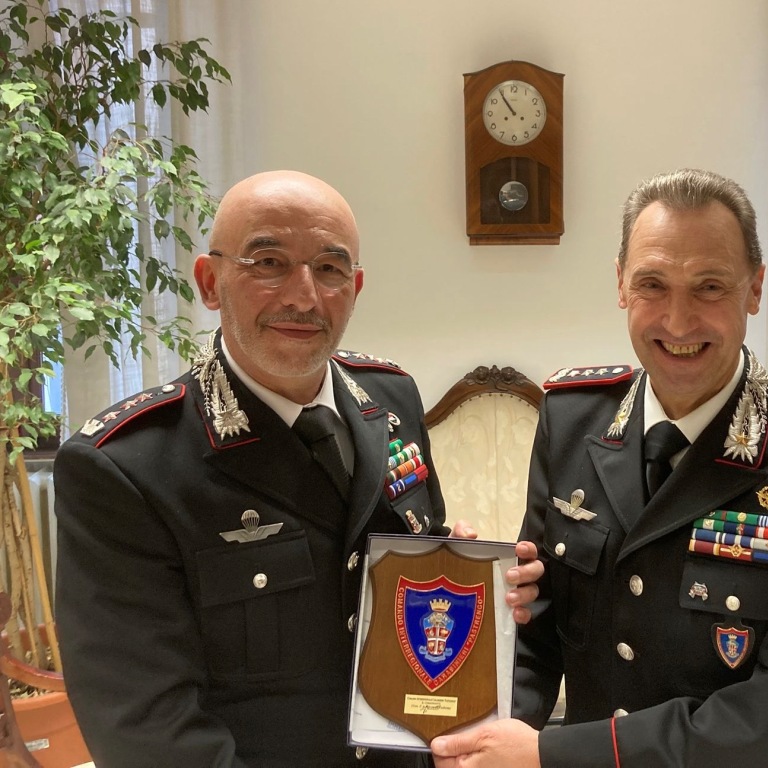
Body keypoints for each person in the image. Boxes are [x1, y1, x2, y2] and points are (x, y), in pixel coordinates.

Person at [54, 170, 543, 767]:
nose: (304, 297)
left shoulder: (390, 398)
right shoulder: (128, 465)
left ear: (355, 287)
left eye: (330, 269)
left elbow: (399, 573)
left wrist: (462, 571)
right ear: (209, 283)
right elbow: (150, 731)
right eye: (268, 263)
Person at [430, 168, 768, 767]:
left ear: (755, 289)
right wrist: (475, 737)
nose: (678, 321)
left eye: (710, 286)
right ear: (621, 284)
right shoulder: (572, 419)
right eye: (652, 284)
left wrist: (552, 755)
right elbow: (537, 628)